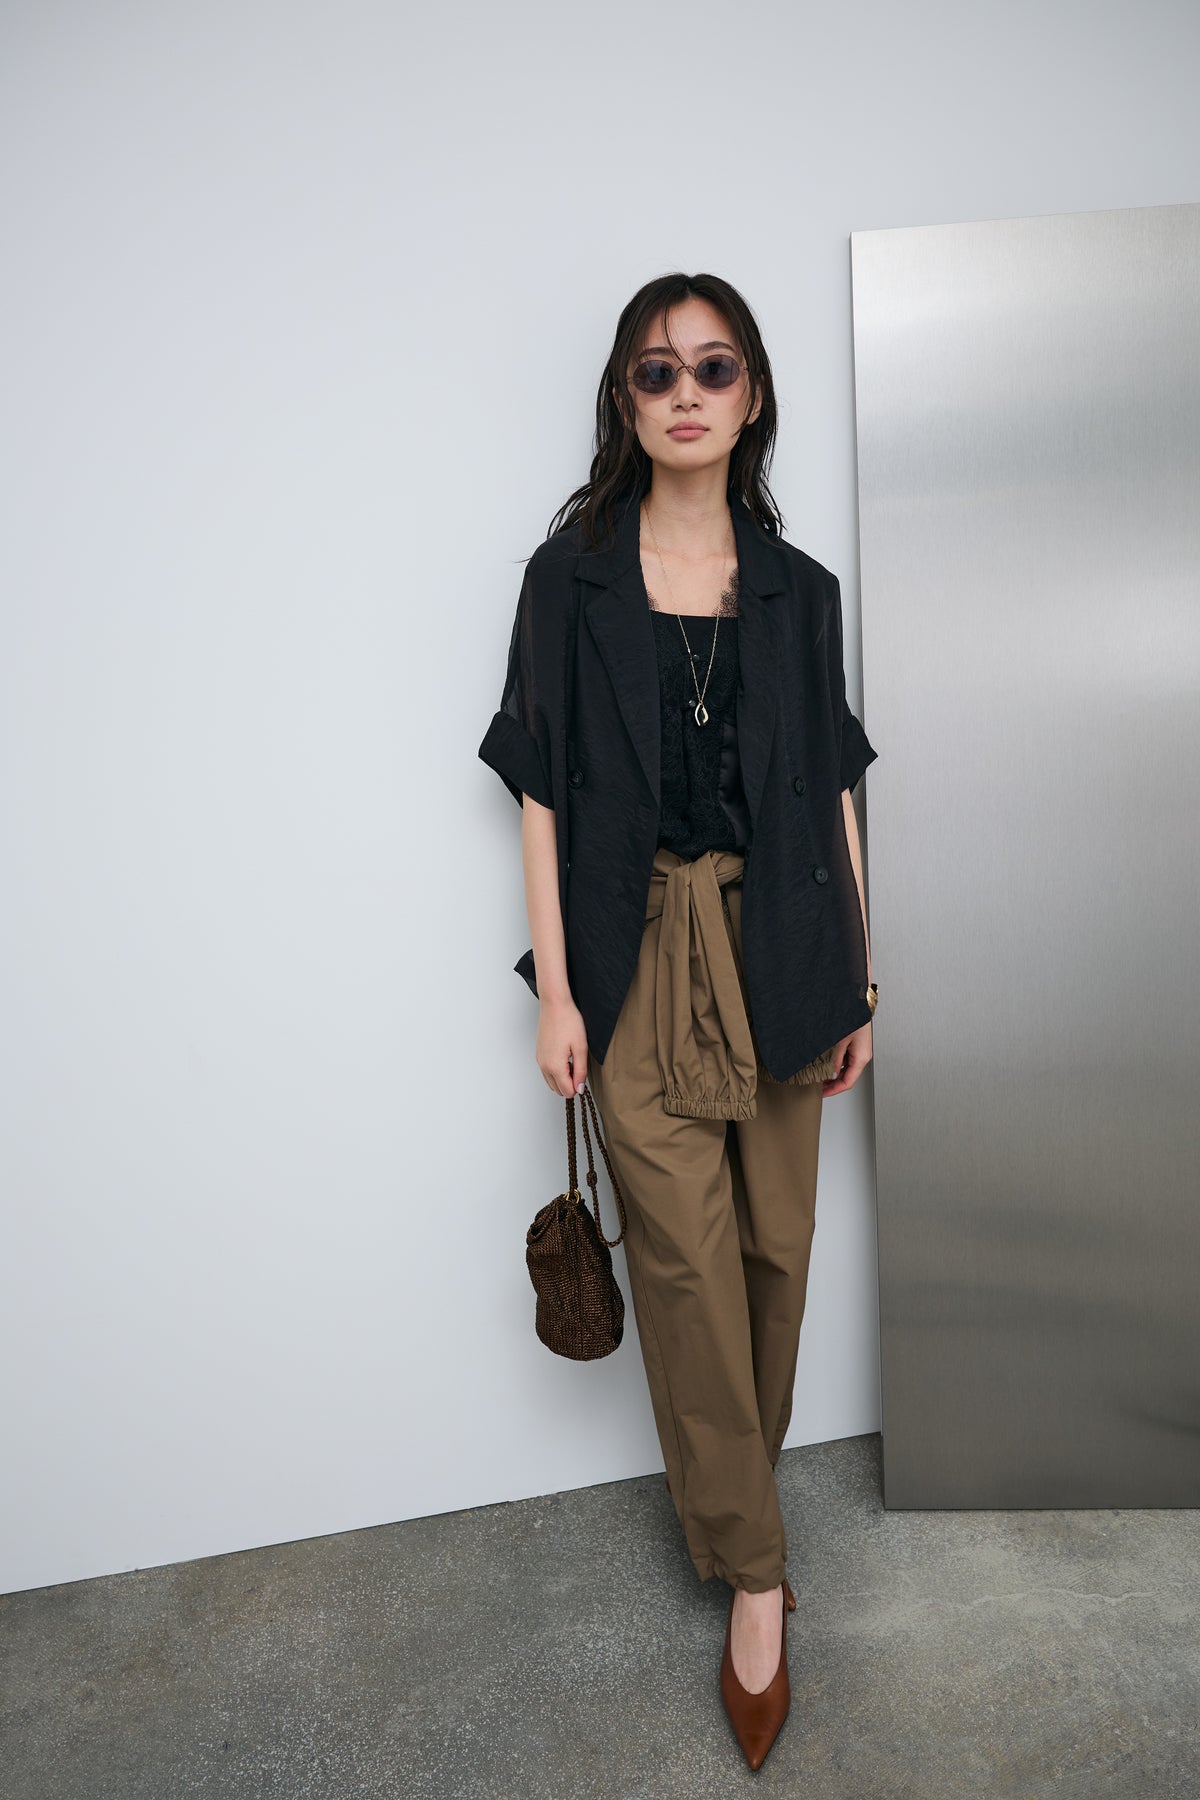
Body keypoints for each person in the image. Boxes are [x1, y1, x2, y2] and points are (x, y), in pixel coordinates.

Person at [478, 271, 878, 1772]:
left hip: (784, 944)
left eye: (714, 368)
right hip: (635, 949)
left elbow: (834, 787)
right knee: (688, 1270)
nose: (687, 392)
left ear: (752, 395)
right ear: (625, 399)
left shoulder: (799, 591)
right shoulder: (566, 579)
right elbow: (538, 788)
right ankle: (758, 1577)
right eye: (657, 371)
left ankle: (736, 1508)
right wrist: (559, 988)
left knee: (777, 1253)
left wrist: (862, 972)